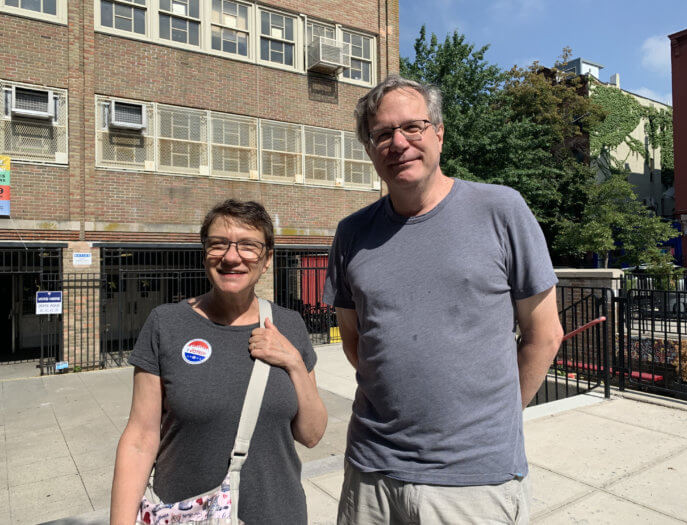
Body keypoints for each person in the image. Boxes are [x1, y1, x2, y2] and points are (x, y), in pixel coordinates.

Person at [323, 75, 564, 524]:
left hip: (474, 481)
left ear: (438, 132)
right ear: (370, 149)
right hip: (371, 472)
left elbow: (544, 335)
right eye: (382, 134)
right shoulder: (352, 233)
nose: (398, 143)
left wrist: (496, 423)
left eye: (412, 127)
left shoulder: (501, 210)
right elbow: (355, 340)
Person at [111, 199, 327, 525]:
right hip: (188, 515)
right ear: (205, 253)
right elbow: (140, 439)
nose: (231, 257)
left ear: (267, 259)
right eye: (218, 244)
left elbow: (311, 434)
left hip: (279, 514)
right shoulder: (166, 324)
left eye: (248, 246)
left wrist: (294, 361)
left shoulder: (289, 324)